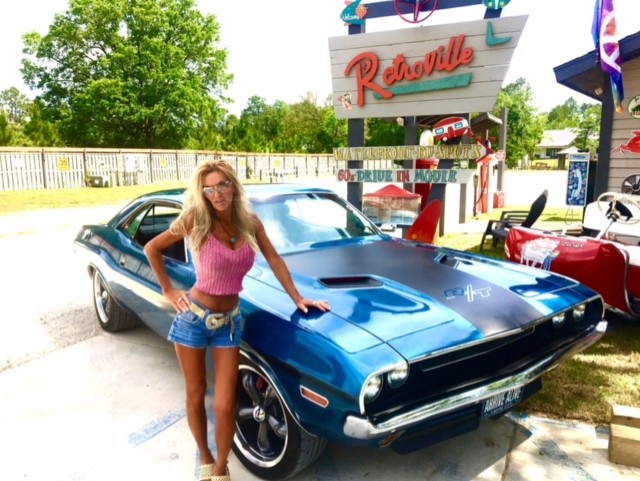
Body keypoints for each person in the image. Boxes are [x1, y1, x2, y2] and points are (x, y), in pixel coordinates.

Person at [144, 160, 330, 480]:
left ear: (233, 186)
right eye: (209, 189)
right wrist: (168, 290)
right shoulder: (195, 219)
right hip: (194, 319)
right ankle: (205, 457)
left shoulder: (249, 222)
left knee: (226, 403)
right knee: (196, 392)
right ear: (203, 193)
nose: (217, 194)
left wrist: (298, 298)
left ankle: (221, 467)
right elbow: (152, 247)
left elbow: (273, 258)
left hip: (228, 322)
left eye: (222, 185)